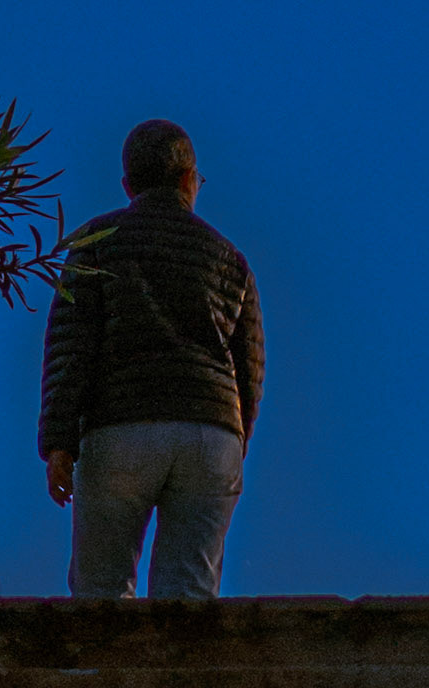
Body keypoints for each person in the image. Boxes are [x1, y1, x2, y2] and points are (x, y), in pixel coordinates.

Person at [38, 119, 264, 599]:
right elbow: (249, 366)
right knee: (189, 593)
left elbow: (71, 347)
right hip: (210, 431)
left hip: (121, 426)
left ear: (128, 186)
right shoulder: (230, 259)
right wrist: (237, 436)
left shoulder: (96, 243)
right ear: (188, 180)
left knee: (102, 590)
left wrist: (59, 442)